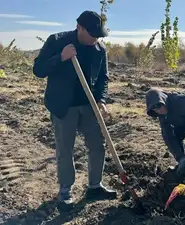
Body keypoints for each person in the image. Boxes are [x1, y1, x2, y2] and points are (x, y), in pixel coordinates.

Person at [32, 10, 117, 208]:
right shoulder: (57, 41)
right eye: (92, 34)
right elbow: (38, 70)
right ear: (79, 28)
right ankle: (65, 190)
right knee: (65, 149)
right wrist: (60, 57)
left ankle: (95, 186)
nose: (95, 39)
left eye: (99, 35)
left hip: (89, 106)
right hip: (63, 106)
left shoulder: (99, 49)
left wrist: (102, 99)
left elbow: (103, 78)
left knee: (97, 145)